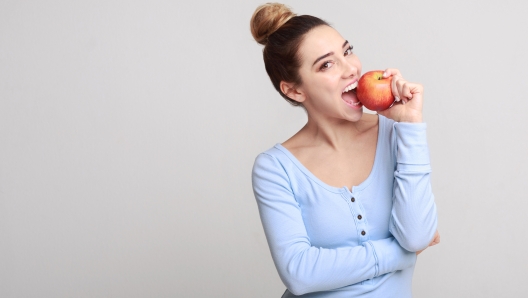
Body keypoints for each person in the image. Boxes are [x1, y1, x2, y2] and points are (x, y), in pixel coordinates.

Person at [250, 3, 440, 298]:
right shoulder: (275, 167)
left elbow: (415, 234)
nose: (351, 69)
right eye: (327, 64)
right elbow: (300, 273)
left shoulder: (395, 133)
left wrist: (411, 125)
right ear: (294, 90)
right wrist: (402, 254)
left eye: (347, 51)